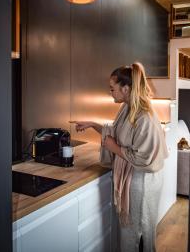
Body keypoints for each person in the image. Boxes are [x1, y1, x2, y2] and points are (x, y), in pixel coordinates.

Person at [70, 62, 168, 252]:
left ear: (125, 88)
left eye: (112, 88)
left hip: (143, 182)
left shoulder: (144, 117)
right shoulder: (127, 108)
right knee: (130, 230)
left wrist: (114, 148)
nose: (110, 92)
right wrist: (92, 124)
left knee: (139, 230)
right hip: (134, 178)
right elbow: (114, 131)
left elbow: (143, 157)